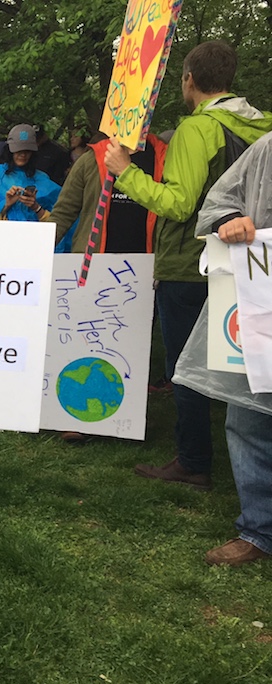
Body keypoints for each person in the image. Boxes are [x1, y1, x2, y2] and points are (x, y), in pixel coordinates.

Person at [104, 40, 272, 490]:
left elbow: (179, 204)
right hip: (254, 264)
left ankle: (194, 459)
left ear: (189, 80)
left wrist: (125, 171)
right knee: (251, 364)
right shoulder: (262, 128)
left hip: (191, 263)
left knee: (188, 365)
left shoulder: (197, 130)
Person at [195, 130, 272, 566]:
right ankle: (259, 531)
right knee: (250, 420)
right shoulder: (266, 150)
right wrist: (231, 218)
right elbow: (216, 204)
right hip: (261, 309)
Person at [0, 124, 61, 223]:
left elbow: (60, 223)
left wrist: (36, 207)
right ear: (10, 151)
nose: (23, 155)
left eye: (27, 151)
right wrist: (6, 204)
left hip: (34, 237)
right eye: (18, 151)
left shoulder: (43, 180)